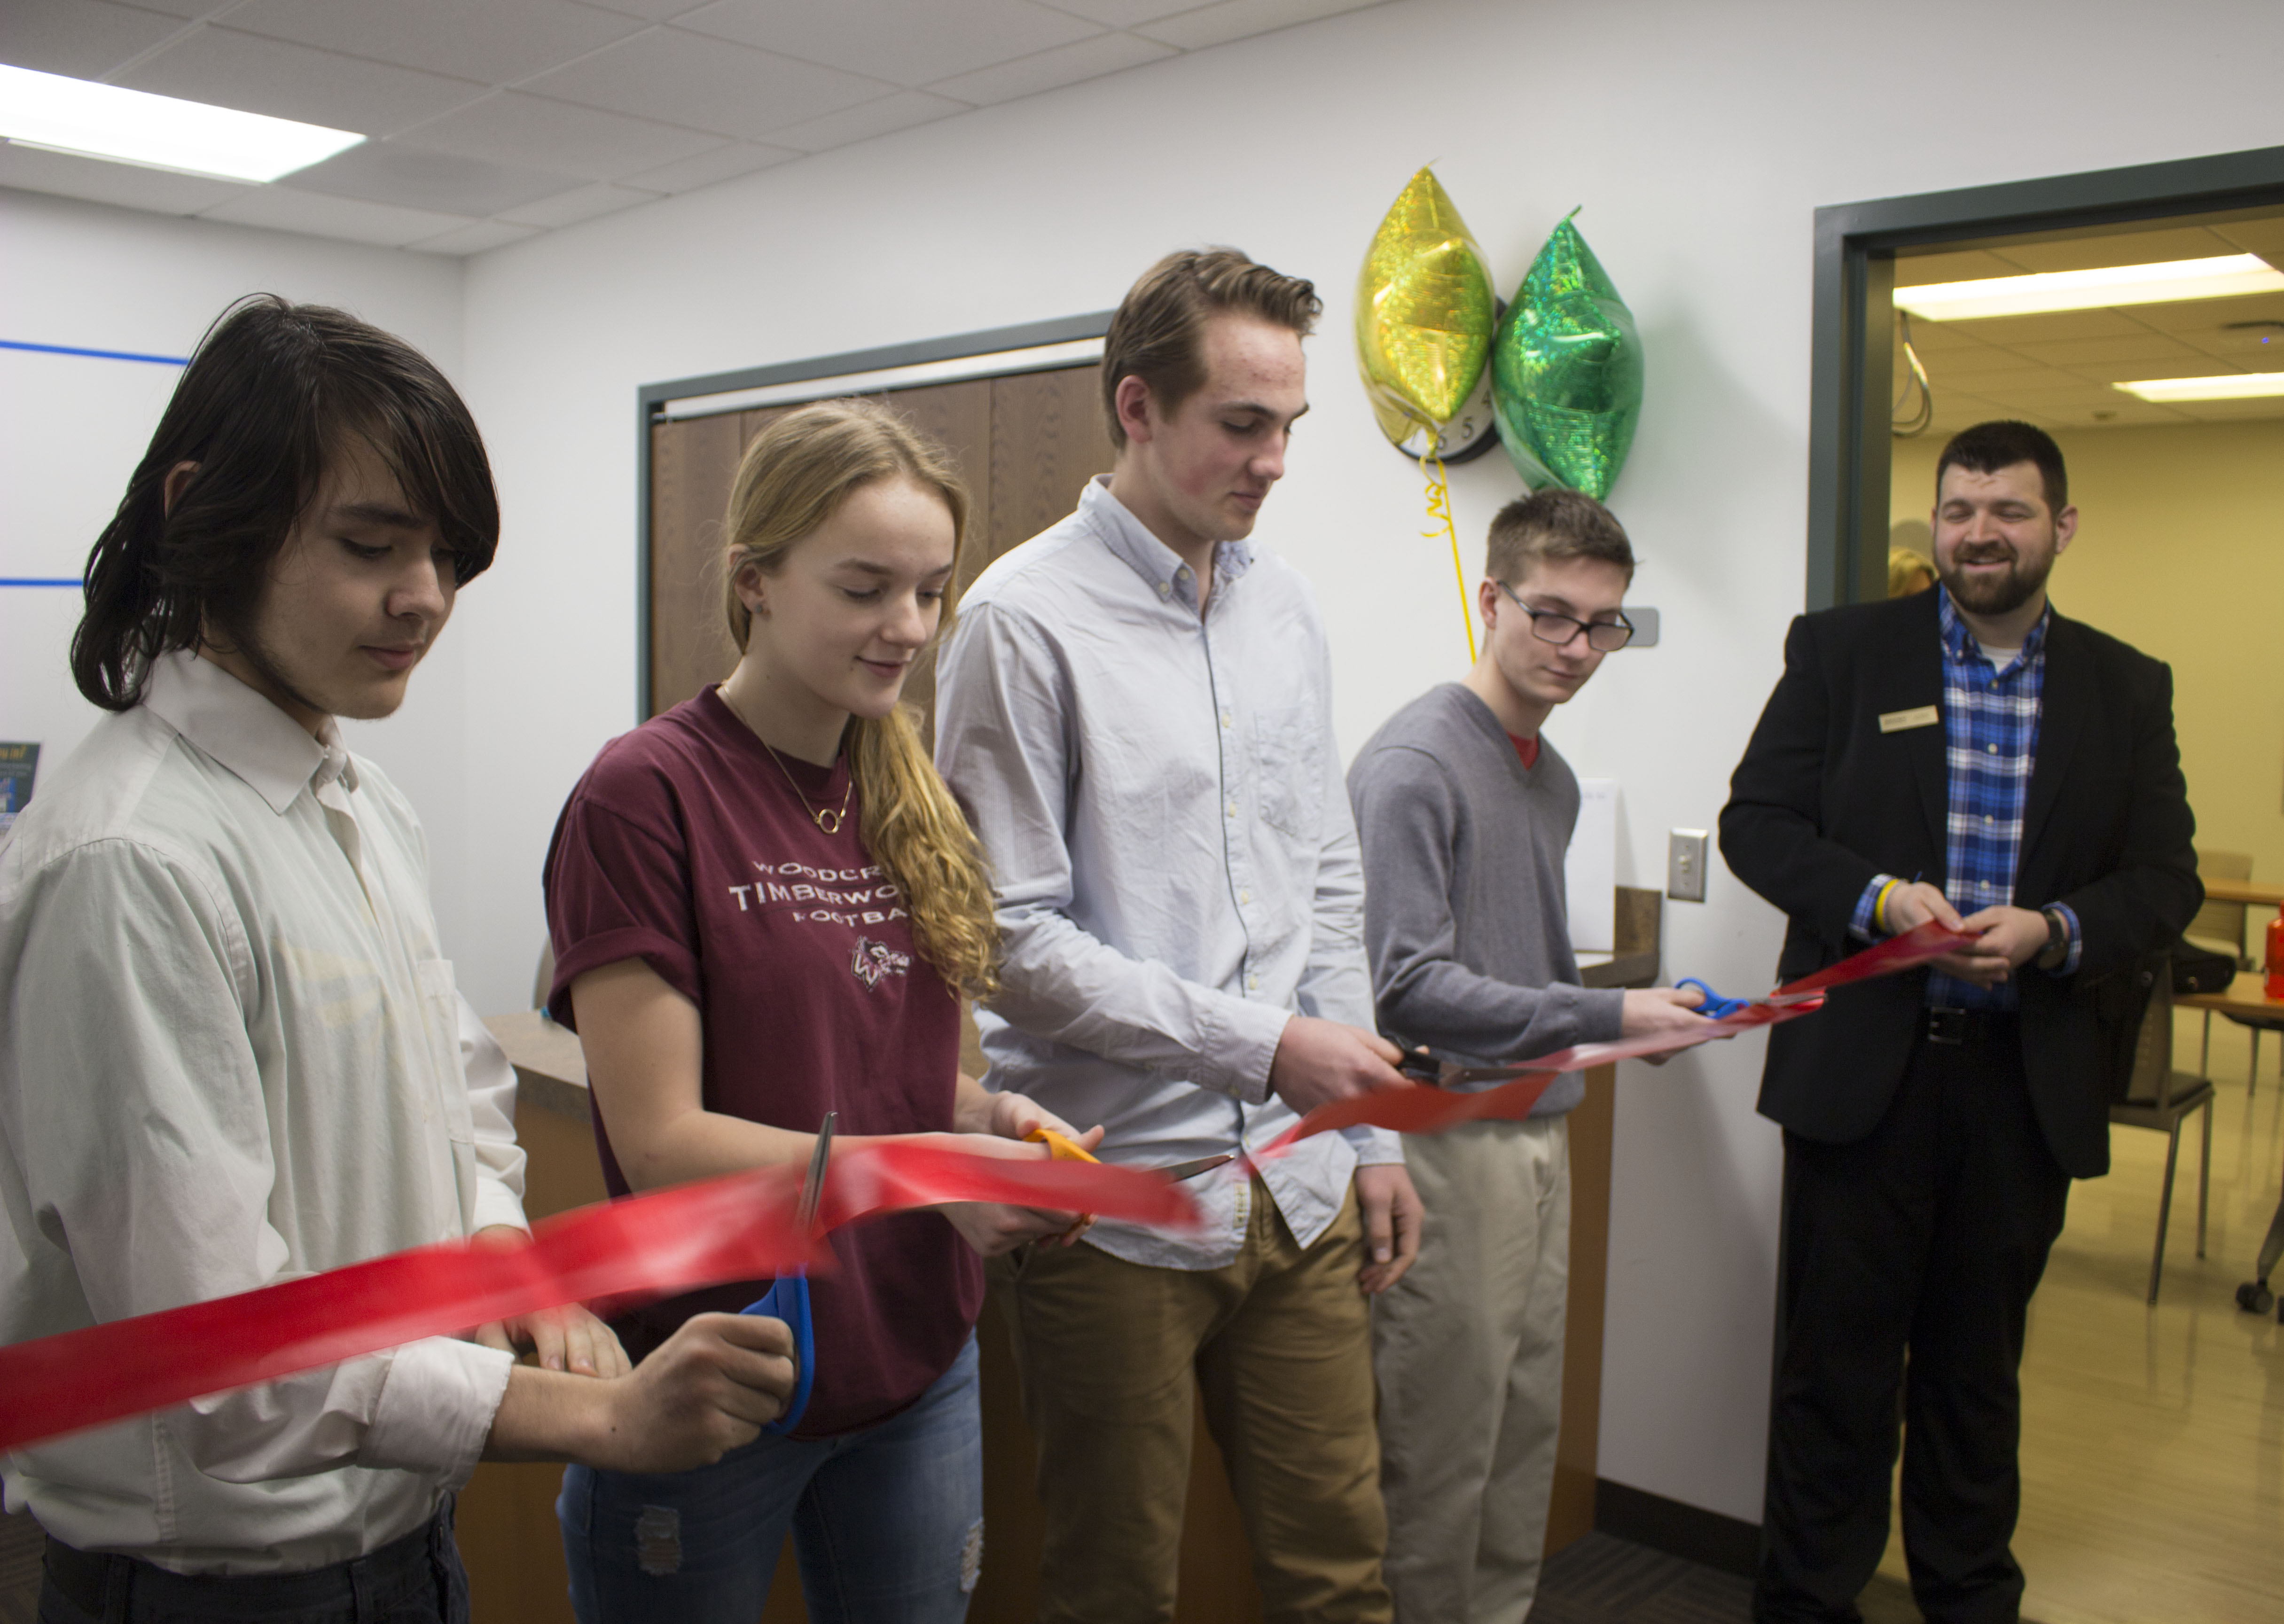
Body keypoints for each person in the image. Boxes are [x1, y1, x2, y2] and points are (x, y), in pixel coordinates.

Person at [0, 297, 795, 1624]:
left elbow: (456, 1097)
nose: (422, 597)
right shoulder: (129, 863)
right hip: (223, 1587)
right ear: (207, 512)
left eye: (444, 555)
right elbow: (224, 1370)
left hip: (404, 1539)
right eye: (370, 545)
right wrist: (595, 1422)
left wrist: (500, 1253)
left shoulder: (360, 802)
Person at [542, 399, 1096, 1623]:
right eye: (862, 590)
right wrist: (930, 1174)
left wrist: (994, 1126)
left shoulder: (918, 794)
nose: (905, 629)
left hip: (910, 1360)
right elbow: (663, 1142)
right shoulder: (645, 795)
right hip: (714, 1366)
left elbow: (920, 1086)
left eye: (929, 593)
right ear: (755, 581)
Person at [933, 248, 1422, 1624]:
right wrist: (1273, 1047)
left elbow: (1323, 878)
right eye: (1240, 423)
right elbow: (1011, 943)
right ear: (1136, 406)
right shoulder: (1018, 623)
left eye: (1288, 428)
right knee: (1111, 1590)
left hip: (1298, 1185)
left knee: (1342, 1572)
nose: (1271, 462)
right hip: (1116, 1202)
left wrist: (1366, 1133)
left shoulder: (1286, 605)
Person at [1721, 420, 2200, 1623]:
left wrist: (2055, 931)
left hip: (2017, 1086)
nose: (1979, 533)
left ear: (2062, 528)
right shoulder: (1842, 654)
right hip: (1862, 1082)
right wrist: (1876, 899)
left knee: (1977, 1380)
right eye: (1959, 511)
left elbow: (2165, 880)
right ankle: (1808, 1603)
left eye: (2010, 512)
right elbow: (1757, 822)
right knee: (1834, 1376)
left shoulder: (2126, 687)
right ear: (1936, 523)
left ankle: (1968, 1597)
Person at [1347, 488, 1711, 1623]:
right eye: (1551, 616)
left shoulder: (1545, 775)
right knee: (1439, 1453)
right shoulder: (1415, 761)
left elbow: (1513, 966)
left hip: (1540, 1127)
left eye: (1603, 625)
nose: (1577, 649)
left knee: (1520, 1436)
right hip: (1450, 1148)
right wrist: (1609, 1019)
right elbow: (1412, 990)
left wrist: (1639, 1020)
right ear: (1490, 597)